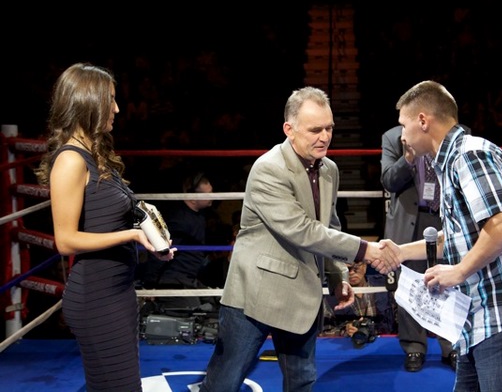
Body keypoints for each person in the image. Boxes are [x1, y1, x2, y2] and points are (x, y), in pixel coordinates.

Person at [198, 86, 394, 392]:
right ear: (289, 129)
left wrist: (337, 277)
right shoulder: (268, 169)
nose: (325, 137)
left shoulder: (329, 169)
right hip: (256, 293)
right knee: (224, 382)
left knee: (302, 381)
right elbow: (303, 230)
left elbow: (329, 224)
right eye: (315, 130)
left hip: (302, 295)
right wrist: (365, 250)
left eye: (329, 128)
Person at [380, 80, 502, 392]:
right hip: (482, 315)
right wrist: (401, 252)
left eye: (404, 124)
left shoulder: (469, 154)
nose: (402, 135)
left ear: (423, 120)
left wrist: (459, 271)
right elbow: (458, 236)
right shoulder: (451, 160)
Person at [34, 62, 176, 392]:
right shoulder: (71, 160)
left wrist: (152, 237)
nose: (117, 108)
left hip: (117, 291)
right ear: (88, 102)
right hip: (96, 298)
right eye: (110, 99)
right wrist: (133, 235)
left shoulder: (95, 154)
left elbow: (107, 218)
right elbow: (65, 241)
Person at [380, 124, 460, 372]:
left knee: (451, 282)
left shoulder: (455, 133)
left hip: (446, 217)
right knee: (409, 282)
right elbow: (389, 181)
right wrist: (408, 158)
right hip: (411, 219)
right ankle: (414, 346)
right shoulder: (393, 137)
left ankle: (452, 346)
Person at [141, 171, 220, 315]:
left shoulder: (198, 215)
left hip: (190, 276)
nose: (213, 197)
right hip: (174, 278)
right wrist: (150, 285)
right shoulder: (179, 220)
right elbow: (160, 249)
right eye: (208, 194)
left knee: (213, 305)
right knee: (193, 313)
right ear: (193, 199)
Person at [322, 261, 396, 341]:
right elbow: (324, 331)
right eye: (346, 270)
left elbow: (399, 320)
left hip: (384, 342)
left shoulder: (384, 286)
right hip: (348, 344)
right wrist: (344, 331)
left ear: (365, 266)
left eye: (356, 268)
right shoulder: (330, 295)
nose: (351, 273)